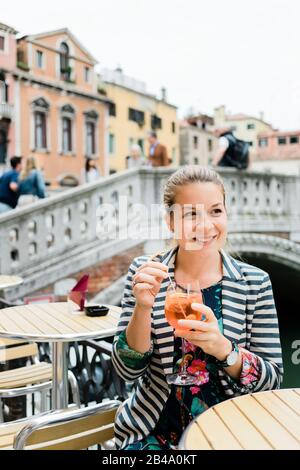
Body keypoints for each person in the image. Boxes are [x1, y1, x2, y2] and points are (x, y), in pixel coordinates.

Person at [112, 165, 283, 450]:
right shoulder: (145, 272)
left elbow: (272, 381)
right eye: (191, 214)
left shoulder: (255, 283)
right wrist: (142, 308)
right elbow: (126, 372)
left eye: (216, 211)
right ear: (170, 222)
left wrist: (224, 350)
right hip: (153, 432)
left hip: (233, 432)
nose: (205, 226)